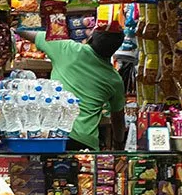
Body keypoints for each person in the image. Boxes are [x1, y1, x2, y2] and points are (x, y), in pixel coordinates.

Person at [33, 22, 128, 150]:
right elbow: (118, 118)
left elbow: (30, 35)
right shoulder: (114, 79)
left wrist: (11, 30)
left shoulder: (67, 48)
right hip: (85, 140)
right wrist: (119, 145)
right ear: (115, 49)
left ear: (91, 38)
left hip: (54, 135)